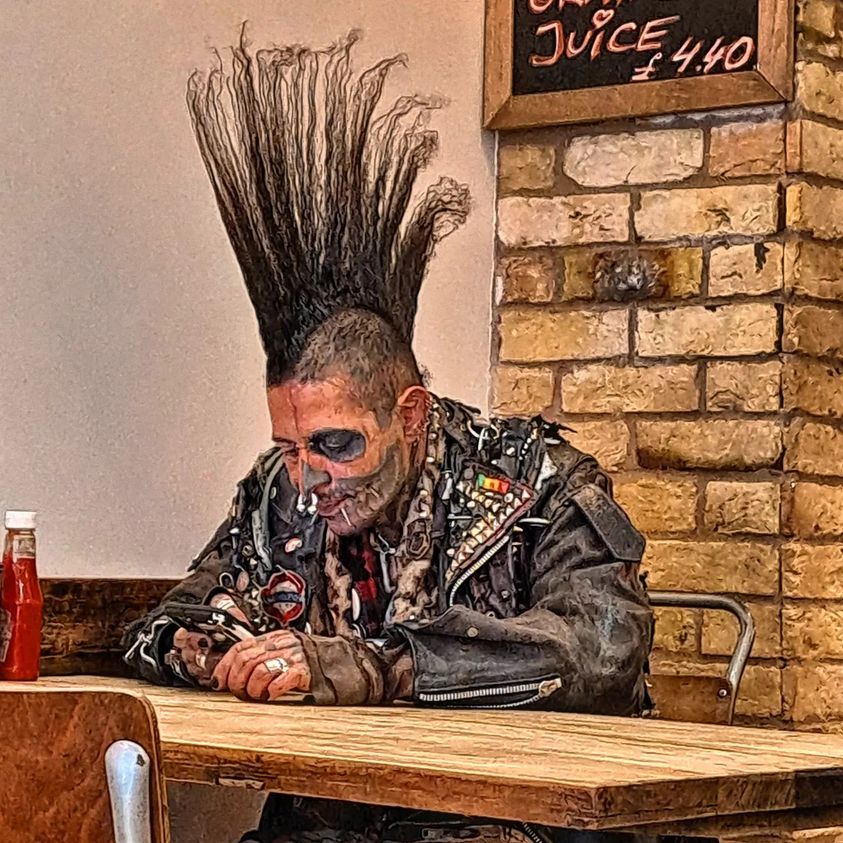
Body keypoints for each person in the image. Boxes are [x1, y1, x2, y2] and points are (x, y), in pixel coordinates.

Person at [123, 29, 653, 843]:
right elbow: (166, 623)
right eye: (291, 446)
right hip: (330, 823)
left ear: (407, 414)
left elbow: (603, 648)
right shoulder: (279, 493)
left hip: (506, 824)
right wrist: (224, 649)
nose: (309, 475)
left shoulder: (536, 482)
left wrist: (376, 665)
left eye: (335, 444)